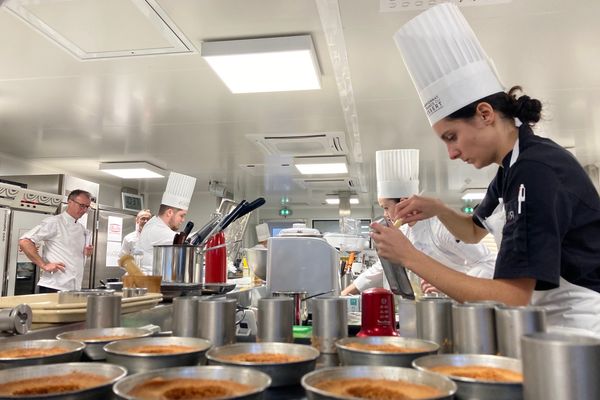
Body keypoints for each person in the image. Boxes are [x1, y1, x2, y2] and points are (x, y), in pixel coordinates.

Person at [372, 3, 600, 335]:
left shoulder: (535, 171)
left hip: (581, 327)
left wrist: (409, 257)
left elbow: (511, 296)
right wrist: (437, 208)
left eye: (452, 137)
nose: (451, 154)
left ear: (484, 113)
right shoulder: (511, 168)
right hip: (549, 320)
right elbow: (473, 230)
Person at [342, 149, 495, 296]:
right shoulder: (404, 233)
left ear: (402, 202)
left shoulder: (440, 227)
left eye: (386, 208)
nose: (385, 215)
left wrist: (449, 285)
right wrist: (345, 294)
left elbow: (488, 263)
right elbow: (379, 269)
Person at [18, 189, 94, 292]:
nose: (84, 210)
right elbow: (24, 241)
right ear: (70, 202)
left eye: (87, 207)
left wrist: (85, 253)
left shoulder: (81, 228)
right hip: (54, 286)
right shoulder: (54, 222)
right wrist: (44, 265)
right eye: (81, 205)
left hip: (74, 287)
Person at [135, 172, 196, 275]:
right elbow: (182, 240)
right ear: (169, 212)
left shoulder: (154, 223)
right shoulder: (155, 229)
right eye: (181, 215)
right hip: (150, 284)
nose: (183, 220)